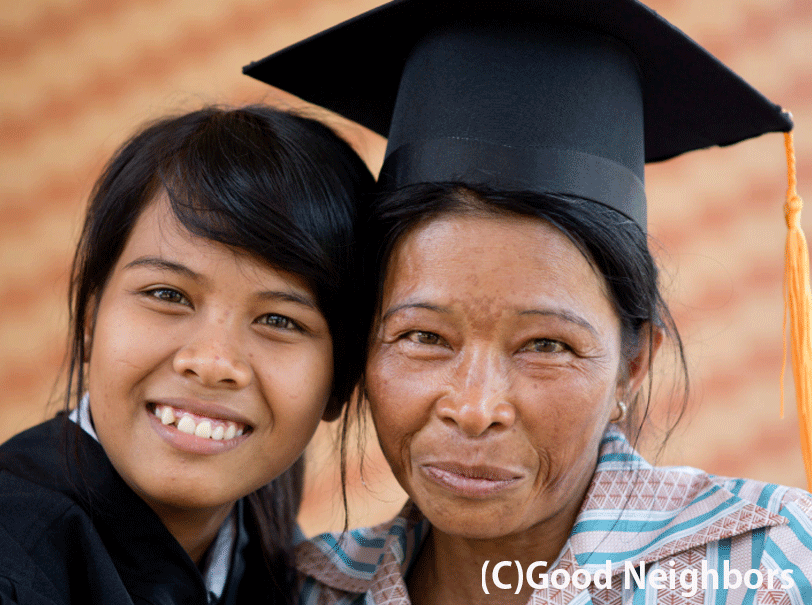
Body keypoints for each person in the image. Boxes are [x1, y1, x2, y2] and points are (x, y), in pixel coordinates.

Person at [244, 1, 812, 603]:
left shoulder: (771, 565)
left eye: (548, 345)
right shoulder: (307, 592)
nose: (474, 407)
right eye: (424, 336)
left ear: (634, 364)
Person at [0, 105, 374, 604]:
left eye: (279, 321)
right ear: (90, 317)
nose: (212, 361)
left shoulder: (273, 554)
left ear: (343, 378)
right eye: (167, 294)